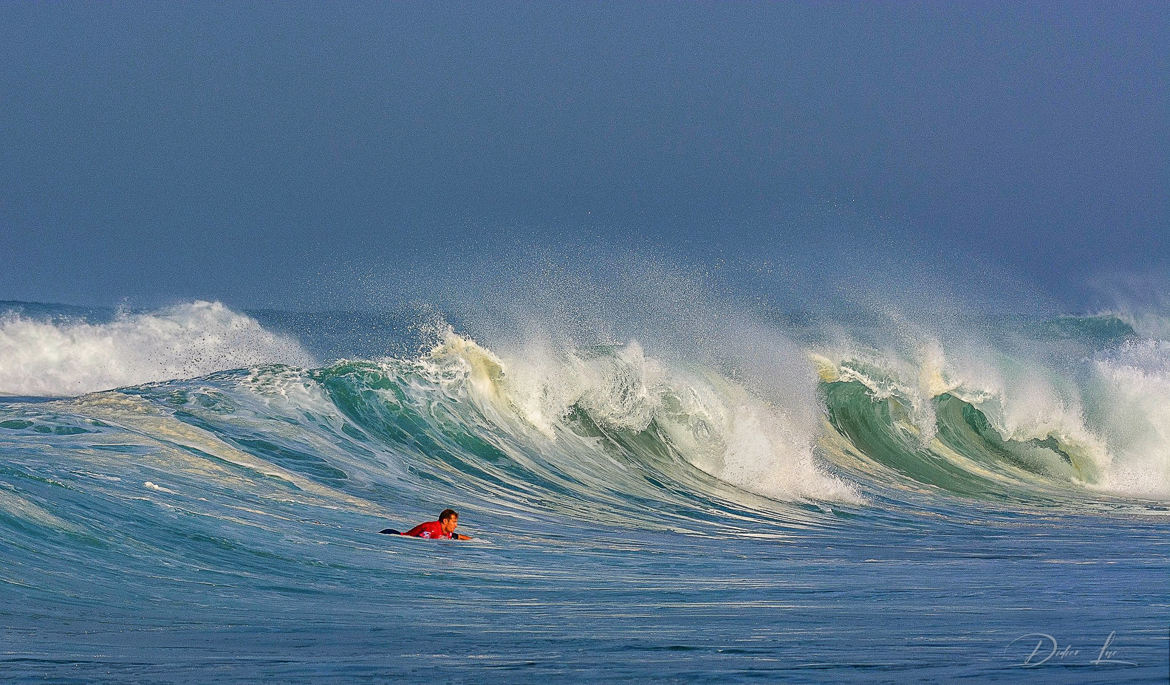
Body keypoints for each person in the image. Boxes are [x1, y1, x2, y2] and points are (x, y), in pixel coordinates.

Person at [379, 509, 472, 540]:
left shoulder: (446, 531)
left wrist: (476, 541)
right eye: (454, 522)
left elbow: (458, 537)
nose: (456, 525)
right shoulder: (432, 529)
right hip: (392, 535)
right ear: (445, 521)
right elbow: (417, 541)